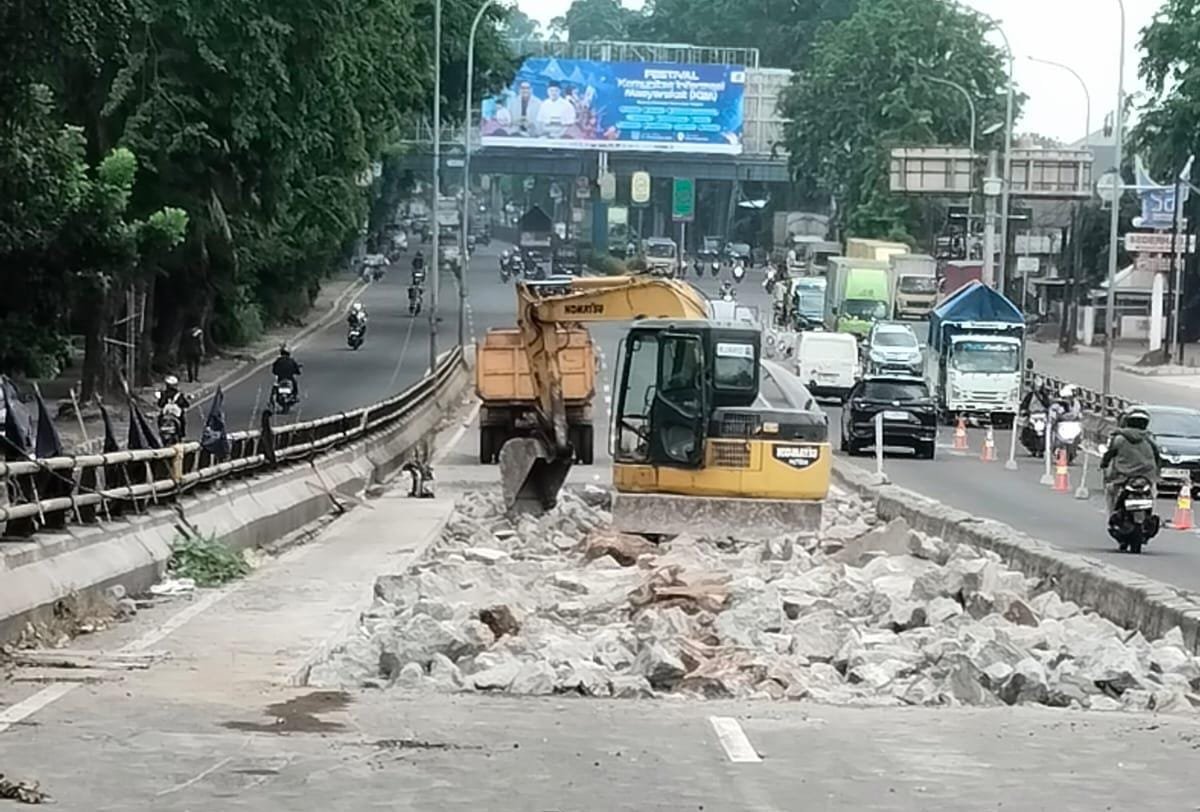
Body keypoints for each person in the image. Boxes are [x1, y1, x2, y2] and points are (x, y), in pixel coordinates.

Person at [1101, 407, 1162, 514]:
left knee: (1110, 490)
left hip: (1123, 476)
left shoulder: (1119, 438)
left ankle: (1111, 514)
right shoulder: (1150, 439)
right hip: (1146, 476)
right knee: (1153, 493)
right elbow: (1157, 457)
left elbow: (1109, 454)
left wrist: (1104, 464)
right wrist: (1156, 473)